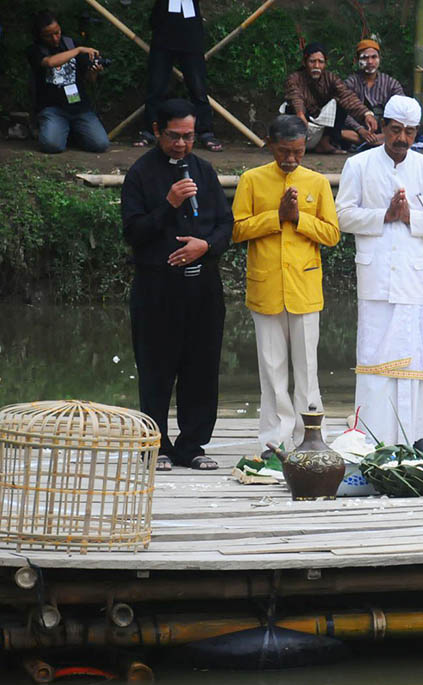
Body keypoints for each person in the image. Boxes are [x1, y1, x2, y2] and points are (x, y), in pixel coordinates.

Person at [335, 96, 423, 455]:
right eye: (395, 130)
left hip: (414, 277)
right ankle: (373, 434)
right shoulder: (358, 165)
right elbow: (342, 215)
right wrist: (384, 216)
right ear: (382, 127)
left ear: (416, 132)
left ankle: (418, 433)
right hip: (375, 276)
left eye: (409, 132)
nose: (401, 138)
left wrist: (411, 218)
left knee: (415, 356)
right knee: (374, 356)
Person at [121, 98, 231, 471]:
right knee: (156, 369)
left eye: (189, 136)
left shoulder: (204, 170)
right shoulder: (140, 173)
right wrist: (168, 204)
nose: (182, 144)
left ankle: (192, 445)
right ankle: (156, 445)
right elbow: (133, 232)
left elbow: (225, 226)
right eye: (174, 136)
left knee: (201, 367)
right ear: (157, 131)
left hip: (202, 290)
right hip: (157, 291)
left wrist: (206, 246)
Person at [231, 115, 341, 455]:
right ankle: (275, 440)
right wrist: (275, 217)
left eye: (297, 152)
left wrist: (299, 219)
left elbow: (332, 234)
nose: (291, 159)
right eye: (283, 152)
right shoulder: (251, 180)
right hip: (265, 287)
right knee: (272, 367)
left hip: (304, 287)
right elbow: (237, 231)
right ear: (269, 144)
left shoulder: (318, 182)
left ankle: (309, 438)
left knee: (308, 368)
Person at [138, 0, 222, 151]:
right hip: (163, 33)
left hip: (191, 35)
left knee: (198, 89)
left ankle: (205, 132)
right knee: (156, 87)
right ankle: (150, 130)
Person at [26, 10, 110, 154]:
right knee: (52, 146)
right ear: (39, 35)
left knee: (100, 144)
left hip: (79, 106)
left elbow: (90, 79)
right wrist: (78, 50)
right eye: (49, 35)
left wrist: (94, 71)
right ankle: (58, 130)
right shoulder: (35, 50)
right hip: (52, 108)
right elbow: (50, 62)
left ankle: (72, 133)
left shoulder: (71, 43)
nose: (55, 38)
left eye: (57, 32)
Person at [283, 42, 377, 154]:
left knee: (341, 104)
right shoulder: (294, 78)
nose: (316, 66)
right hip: (301, 118)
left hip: (321, 121)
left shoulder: (330, 78)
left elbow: (346, 96)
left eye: (320, 62)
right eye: (312, 61)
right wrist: (300, 113)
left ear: (325, 64)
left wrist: (366, 114)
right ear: (304, 62)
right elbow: (295, 96)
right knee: (290, 109)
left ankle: (324, 143)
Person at [341, 39, 405, 149]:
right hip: (356, 131)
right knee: (338, 132)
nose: (370, 62)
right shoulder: (350, 83)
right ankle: (371, 141)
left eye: (374, 57)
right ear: (357, 60)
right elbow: (342, 112)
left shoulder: (391, 83)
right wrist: (360, 130)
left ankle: (377, 140)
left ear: (379, 59)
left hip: (384, 132)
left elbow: (402, 108)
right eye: (365, 58)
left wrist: (385, 132)